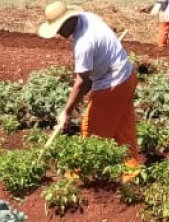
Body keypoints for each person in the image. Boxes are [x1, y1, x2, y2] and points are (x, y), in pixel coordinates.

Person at [38, 2, 140, 176]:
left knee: (91, 132)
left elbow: (83, 82)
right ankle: (132, 173)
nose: (58, 33)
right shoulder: (88, 17)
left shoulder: (83, 44)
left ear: (69, 20)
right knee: (123, 129)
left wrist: (66, 112)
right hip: (127, 76)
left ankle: (77, 178)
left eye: (60, 27)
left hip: (113, 86)